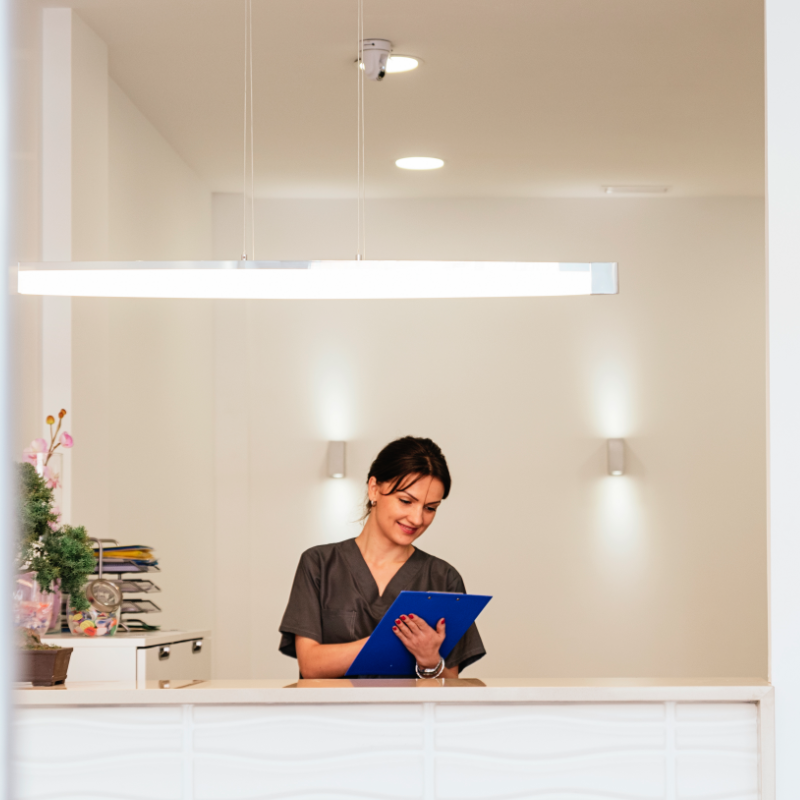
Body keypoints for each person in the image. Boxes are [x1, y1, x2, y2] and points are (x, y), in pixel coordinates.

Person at [279, 436, 486, 679]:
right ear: (374, 488)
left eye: (430, 508)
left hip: (410, 717)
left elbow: (451, 688)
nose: (417, 519)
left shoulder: (443, 578)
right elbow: (311, 666)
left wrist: (430, 660)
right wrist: (390, 642)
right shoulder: (319, 564)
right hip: (333, 716)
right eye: (406, 501)